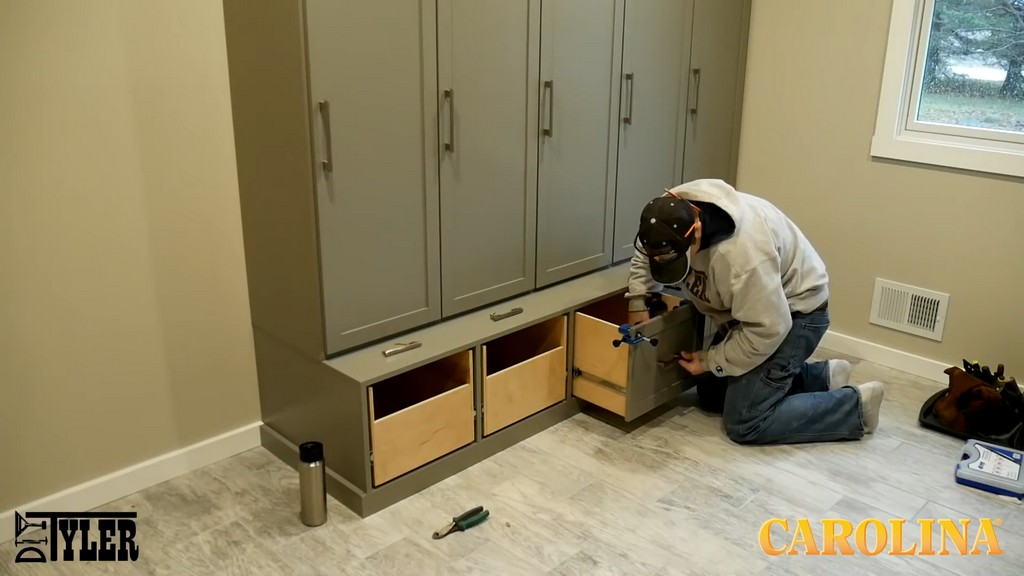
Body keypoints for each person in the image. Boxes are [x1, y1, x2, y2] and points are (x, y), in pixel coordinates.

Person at [626, 178, 884, 444]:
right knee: (711, 392)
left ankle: (855, 407)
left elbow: (768, 328)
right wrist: (637, 300)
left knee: (745, 421)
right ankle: (820, 378)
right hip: (750, 314)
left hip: (796, 315)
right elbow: (650, 253)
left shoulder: (742, 258)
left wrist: (708, 359)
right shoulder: (668, 213)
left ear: (697, 228)